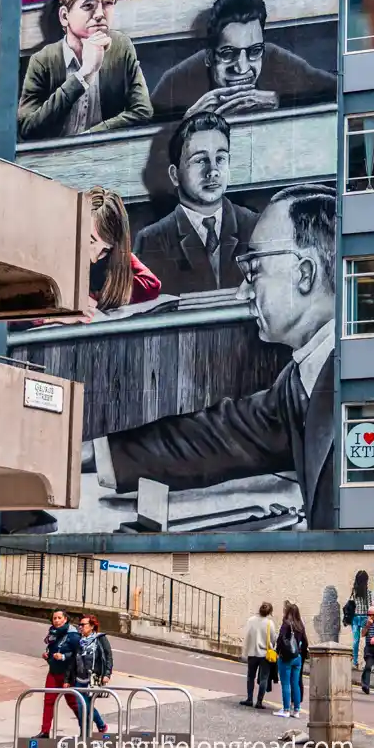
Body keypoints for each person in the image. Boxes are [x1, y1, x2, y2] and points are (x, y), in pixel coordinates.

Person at [83, 185, 337, 529]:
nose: (242, 292)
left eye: (254, 271)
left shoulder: (357, 378)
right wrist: (91, 453)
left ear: (304, 274)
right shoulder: (302, 379)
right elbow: (215, 436)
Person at [150, 0, 337, 120]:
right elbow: (137, 130)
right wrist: (188, 121)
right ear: (208, 57)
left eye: (254, 51)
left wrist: (278, 101)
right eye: (228, 53)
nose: (242, 68)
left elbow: (335, 89)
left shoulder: (276, 60)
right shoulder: (176, 82)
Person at [17, 0, 152, 141]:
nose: (100, 14)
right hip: (52, 162)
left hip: (107, 156)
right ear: (65, 16)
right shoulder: (43, 60)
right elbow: (27, 128)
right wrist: (83, 76)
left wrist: (91, 136)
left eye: (107, 3)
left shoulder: (120, 47)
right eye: (88, 6)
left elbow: (143, 111)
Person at [134, 111, 257, 295]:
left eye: (221, 159)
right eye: (200, 160)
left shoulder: (255, 225)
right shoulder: (152, 240)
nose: (213, 171)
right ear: (175, 175)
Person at [88, 186, 161, 312]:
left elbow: (152, 285)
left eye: (105, 250)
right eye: (90, 241)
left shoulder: (114, 257)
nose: (94, 258)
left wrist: (111, 292)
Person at [37, 608, 82, 739]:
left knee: (73, 702)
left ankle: (86, 729)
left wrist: (63, 657)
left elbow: (77, 655)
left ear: (65, 619)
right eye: (54, 618)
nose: (56, 621)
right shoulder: (52, 634)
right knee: (48, 702)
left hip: (67, 675)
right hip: (53, 672)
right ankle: (45, 731)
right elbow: (51, 649)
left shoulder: (73, 635)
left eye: (59, 618)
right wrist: (48, 656)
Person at [72, 613, 113, 735]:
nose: (80, 627)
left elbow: (108, 656)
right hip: (79, 678)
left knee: (87, 706)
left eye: (83, 625)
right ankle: (85, 732)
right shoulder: (79, 640)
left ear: (91, 626)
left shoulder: (100, 639)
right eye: (79, 625)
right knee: (81, 707)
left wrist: (107, 674)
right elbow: (73, 658)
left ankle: (96, 728)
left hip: (93, 678)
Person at [275, 602, 309, 719]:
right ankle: (296, 710)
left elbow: (280, 640)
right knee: (295, 684)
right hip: (298, 657)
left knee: (285, 684)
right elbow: (305, 642)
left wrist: (277, 652)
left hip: (286, 657)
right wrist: (302, 655)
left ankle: (285, 710)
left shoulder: (286, 624)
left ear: (288, 612)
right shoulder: (300, 625)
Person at [240, 602, 278, 709]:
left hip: (252, 653)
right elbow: (273, 639)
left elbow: (247, 636)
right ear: (270, 612)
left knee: (250, 677)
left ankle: (249, 699)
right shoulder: (269, 623)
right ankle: (259, 702)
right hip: (264, 655)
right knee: (264, 678)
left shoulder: (251, 620)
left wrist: (245, 651)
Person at [346, 571, 371, 668]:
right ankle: (367, 662)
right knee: (367, 641)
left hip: (355, 618)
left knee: (356, 641)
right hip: (365, 617)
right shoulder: (368, 593)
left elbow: (351, 605)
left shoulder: (354, 591)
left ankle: (355, 661)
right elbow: (371, 606)